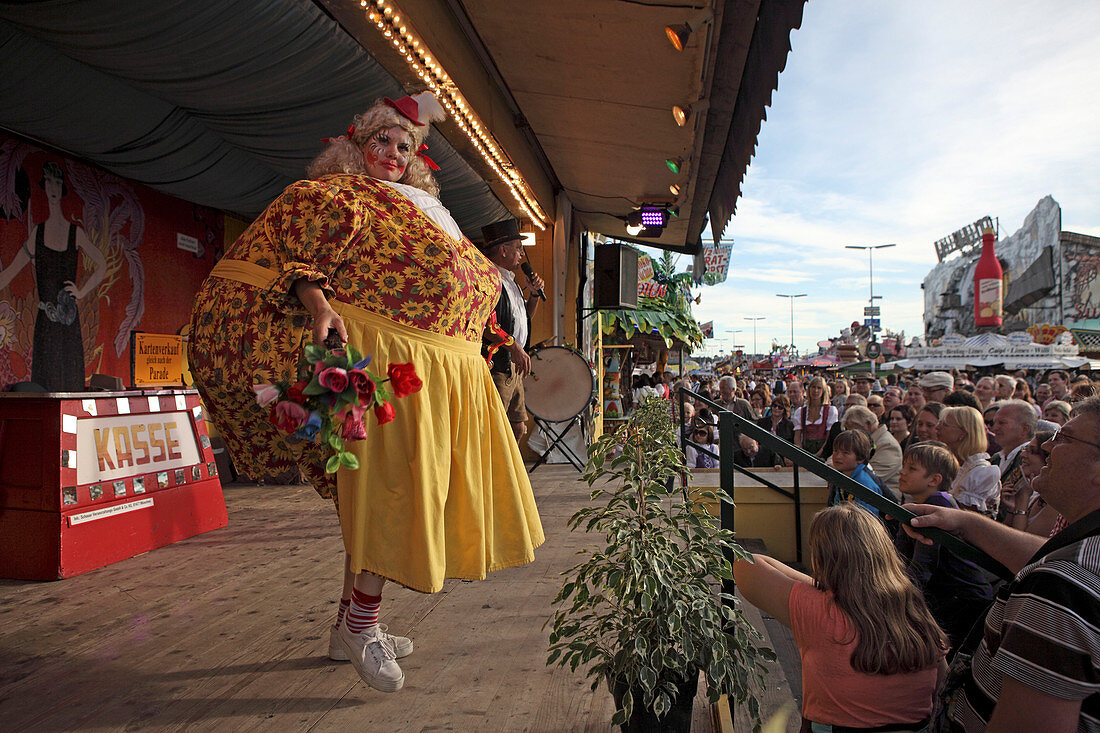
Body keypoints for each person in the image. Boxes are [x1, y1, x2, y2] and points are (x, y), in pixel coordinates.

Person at [188, 92, 544, 693]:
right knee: (391, 491)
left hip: (442, 365)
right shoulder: (338, 196)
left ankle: (345, 625)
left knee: (382, 493)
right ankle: (361, 622)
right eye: (381, 141)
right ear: (355, 146)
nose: (393, 153)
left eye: (404, 145)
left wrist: (499, 339)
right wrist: (320, 305)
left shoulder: (428, 209)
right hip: (384, 359)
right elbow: (302, 255)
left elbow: (466, 280)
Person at [903, 396, 1100, 731]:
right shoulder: (1080, 556)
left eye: (1065, 438)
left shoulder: (1060, 587)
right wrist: (967, 523)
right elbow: (1048, 554)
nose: (1047, 445)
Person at [733, 505, 947, 731]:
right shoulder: (914, 611)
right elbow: (942, 682)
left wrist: (831, 593)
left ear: (822, 559)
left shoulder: (817, 610)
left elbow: (745, 562)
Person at [0, 161, 108, 391]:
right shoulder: (37, 234)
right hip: (45, 324)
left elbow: (101, 264)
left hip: (68, 322)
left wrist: (81, 291)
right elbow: (10, 271)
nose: (53, 187)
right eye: (49, 181)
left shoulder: (74, 233)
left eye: (58, 182)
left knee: (70, 379)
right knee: (45, 383)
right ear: (44, 185)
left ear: (62, 189)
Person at [893, 443, 993, 648]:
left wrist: (892, 597)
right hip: (948, 598)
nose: (902, 472)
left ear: (934, 479)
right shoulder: (917, 503)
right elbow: (899, 555)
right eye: (904, 465)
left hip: (963, 601)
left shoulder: (939, 502)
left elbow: (924, 565)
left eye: (912, 468)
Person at [479, 218, 543, 441]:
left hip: (513, 366)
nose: (522, 254)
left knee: (518, 427)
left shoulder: (513, 282)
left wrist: (534, 295)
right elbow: (484, 323)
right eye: (518, 248)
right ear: (503, 250)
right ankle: (495, 475)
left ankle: (509, 475)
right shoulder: (489, 279)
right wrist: (513, 346)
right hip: (497, 365)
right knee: (495, 429)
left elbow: (523, 319)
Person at [937, 406, 1001, 517]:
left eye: (944, 424)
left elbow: (965, 518)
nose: (937, 427)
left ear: (963, 433)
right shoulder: (951, 463)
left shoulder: (981, 472)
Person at [1000, 430, 1059, 537]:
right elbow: (1005, 537)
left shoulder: (1055, 504)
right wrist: (1012, 508)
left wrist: (1023, 496)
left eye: (1032, 451)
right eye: (1025, 449)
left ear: (1048, 459)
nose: (1022, 455)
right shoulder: (1037, 495)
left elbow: (1019, 543)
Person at [842, 405, 903, 499]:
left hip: (883, 503)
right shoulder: (862, 442)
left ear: (868, 424)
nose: (852, 434)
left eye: (855, 429)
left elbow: (871, 477)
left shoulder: (887, 445)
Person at [989, 400, 1037, 521]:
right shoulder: (996, 458)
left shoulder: (1029, 460)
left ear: (1025, 429)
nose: (994, 428)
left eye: (1002, 423)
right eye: (994, 423)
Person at [827, 429, 887, 517]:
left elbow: (868, 519)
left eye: (845, 453)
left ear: (860, 458)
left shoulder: (864, 484)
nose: (837, 456)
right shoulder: (842, 477)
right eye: (835, 451)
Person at [792, 376, 837, 456]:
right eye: (813, 387)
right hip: (805, 452)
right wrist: (801, 453)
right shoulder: (801, 411)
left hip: (824, 453)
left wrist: (818, 455)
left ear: (823, 391)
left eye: (819, 388)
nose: (816, 390)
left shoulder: (830, 411)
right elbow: (797, 437)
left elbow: (829, 438)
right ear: (809, 389)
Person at [754, 393, 794, 468]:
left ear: (784, 409)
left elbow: (791, 444)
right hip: (764, 458)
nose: (776, 409)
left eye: (780, 407)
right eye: (774, 406)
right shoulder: (762, 422)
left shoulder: (789, 425)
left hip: (782, 459)